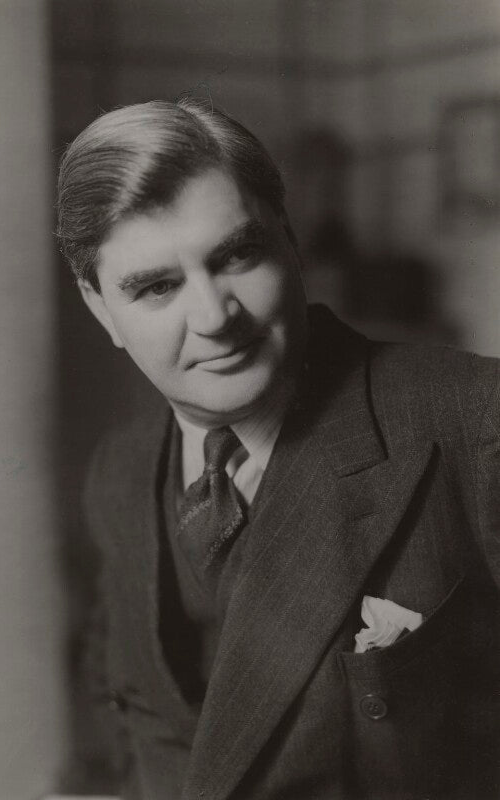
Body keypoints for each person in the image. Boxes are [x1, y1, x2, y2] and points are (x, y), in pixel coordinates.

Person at [57, 99, 500, 800]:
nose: (213, 317)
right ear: (99, 306)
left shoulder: (474, 419)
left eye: (237, 255)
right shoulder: (119, 472)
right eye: (157, 287)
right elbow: (125, 733)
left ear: (290, 242)